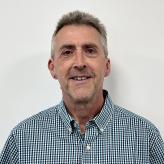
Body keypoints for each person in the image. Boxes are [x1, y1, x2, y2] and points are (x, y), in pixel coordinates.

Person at [0, 11, 164, 164]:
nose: (79, 63)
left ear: (106, 66)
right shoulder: (22, 140)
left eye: (90, 50)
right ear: (53, 68)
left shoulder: (145, 137)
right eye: (67, 52)